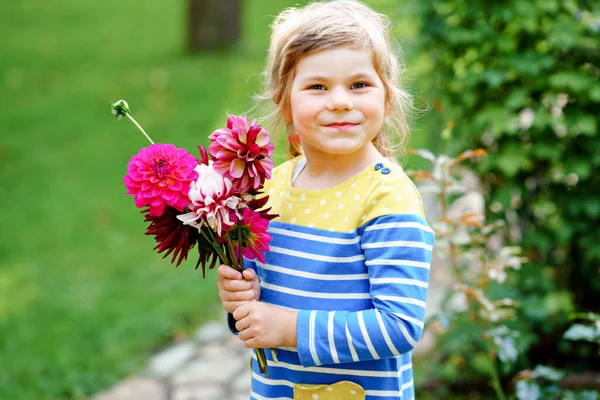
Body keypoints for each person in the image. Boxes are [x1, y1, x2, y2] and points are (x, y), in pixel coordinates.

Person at [217, 1, 434, 399]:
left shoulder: (386, 196)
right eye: (317, 86)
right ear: (284, 101)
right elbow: (258, 303)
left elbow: (399, 326)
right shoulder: (270, 188)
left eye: (359, 85)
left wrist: (287, 328)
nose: (339, 101)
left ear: (386, 99)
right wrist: (239, 301)